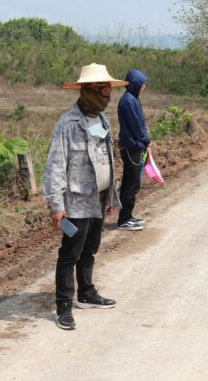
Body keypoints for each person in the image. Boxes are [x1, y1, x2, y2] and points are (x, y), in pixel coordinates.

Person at [42, 63, 124, 331]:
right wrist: (56, 205)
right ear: (88, 90)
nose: (108, 94)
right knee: (70, 254)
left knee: (90, 249)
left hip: (99, 199)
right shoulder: (68, 123)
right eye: (103, 89)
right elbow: (55, 165)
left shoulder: (103, 120)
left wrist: (111, 195)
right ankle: (63, 306)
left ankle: (86, 294)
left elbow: (107, 160)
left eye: (109, 89)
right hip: (75, 202)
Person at [117, 69, 152, 231]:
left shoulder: (132, 99)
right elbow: (137, 126)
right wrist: (146, 140)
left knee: (130, 183)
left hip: (134, 146)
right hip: (131, 147)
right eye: (142, 83)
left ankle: (127, 216)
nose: (144, 86)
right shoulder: (128, 101)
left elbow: (140, 124)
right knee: (132, 183)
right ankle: (124, 220)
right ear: (136, 83)